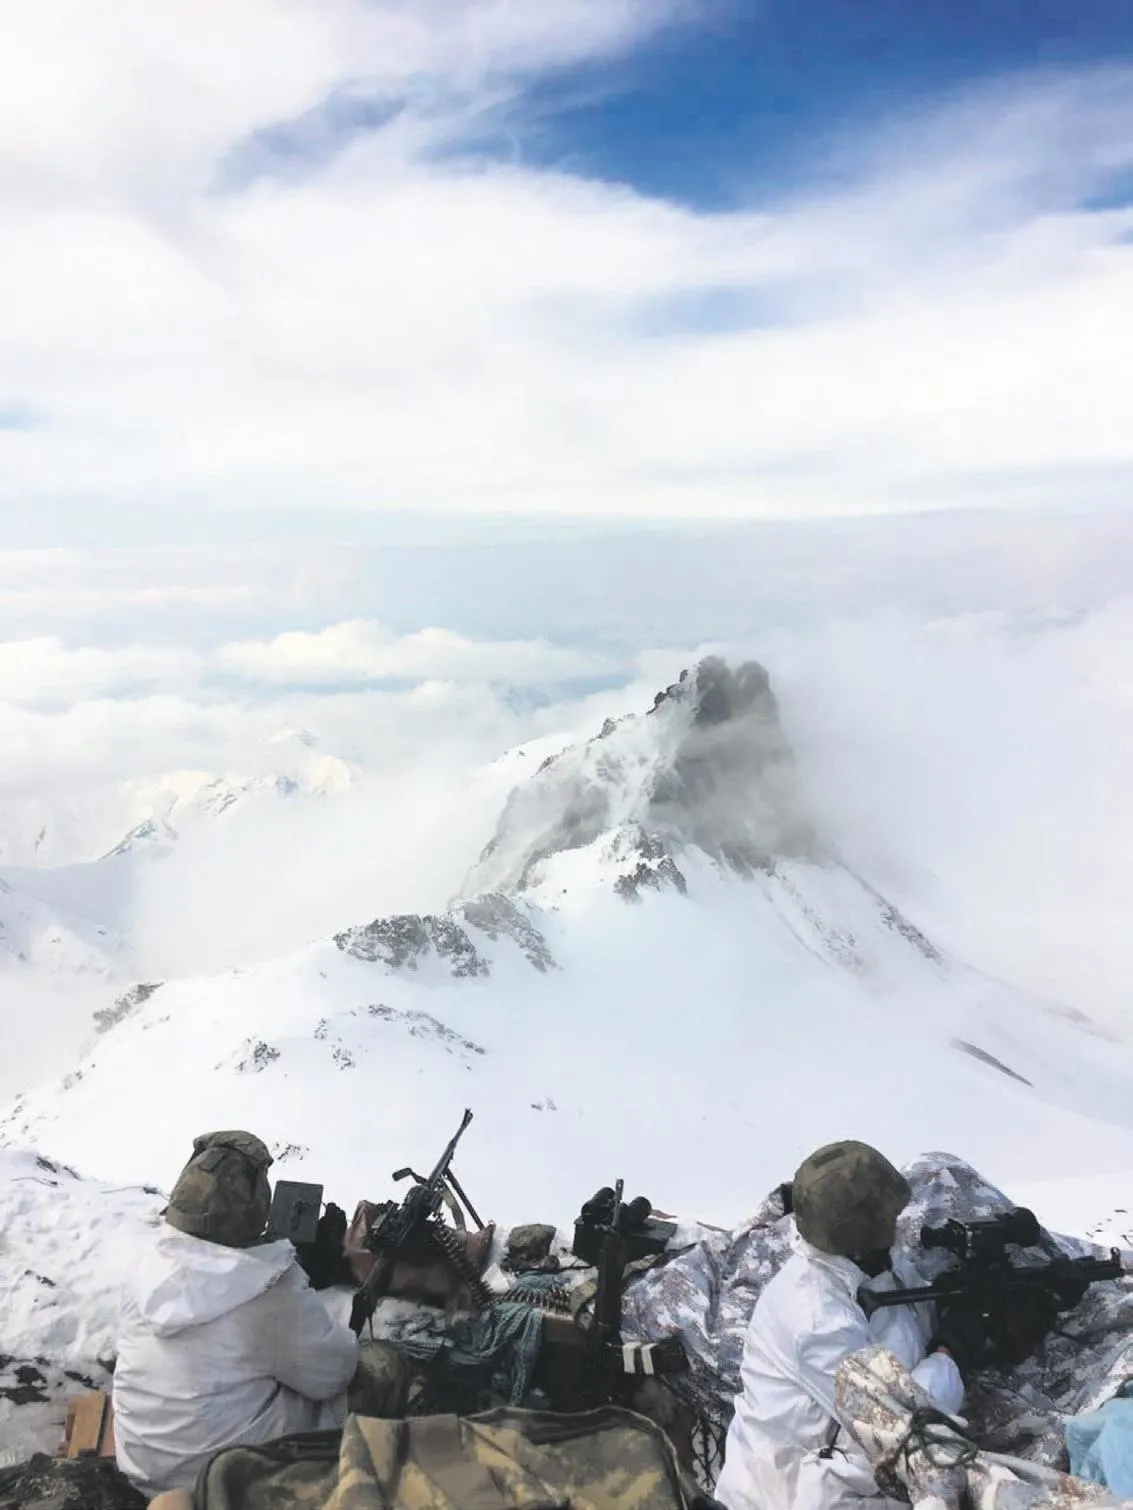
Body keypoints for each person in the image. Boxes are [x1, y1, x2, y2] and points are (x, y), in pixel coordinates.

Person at [113, 1130, 403, 1498]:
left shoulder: (147, 1263)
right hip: (232, 1483)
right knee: (382, 1366)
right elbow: (333, 1374)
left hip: (147, 1472)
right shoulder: (265, 1289)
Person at [715, 1141, 984, 1510]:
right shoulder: (814, 1318)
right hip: (795, 1494)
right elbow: (900, 1420)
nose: (897, 1223)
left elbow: (907, 1318)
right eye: (888, 1218)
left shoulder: (867, 1265)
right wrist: (951, 1352)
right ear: (863, 1233)